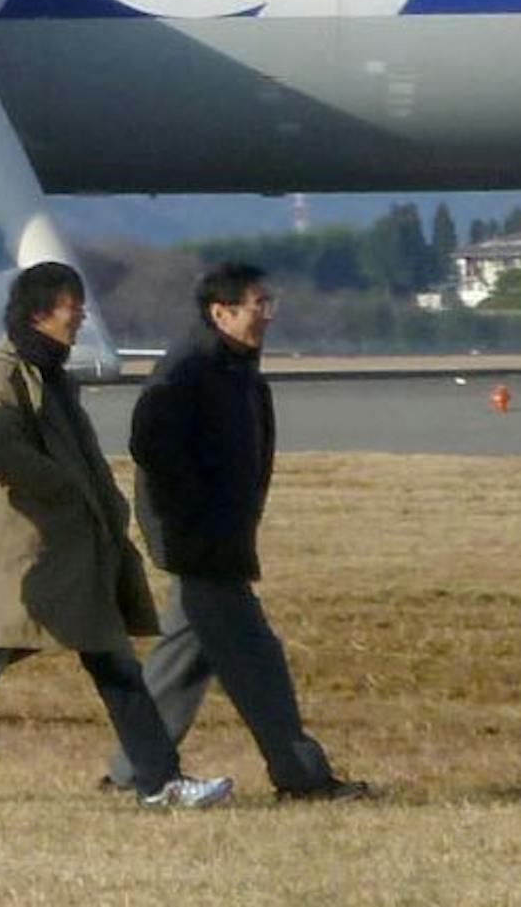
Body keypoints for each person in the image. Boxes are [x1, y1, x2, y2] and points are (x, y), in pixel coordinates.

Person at [0, 262, 234, 810]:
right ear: (39, 311)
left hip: (70, 553)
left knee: (113, 663)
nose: (81, 314)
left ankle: (159, 780)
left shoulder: (56, 374)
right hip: (20, 559)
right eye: (71, 304)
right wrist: (66, 487)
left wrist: (102, 508)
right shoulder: (1, 370)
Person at [114, 262, 370, 802]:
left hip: (221, 540)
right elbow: (151, 446)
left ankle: (129, 770)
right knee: (257, 661)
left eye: (267, 303)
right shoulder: (188, 372)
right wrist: (192, 516)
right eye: (258, 304)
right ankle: (301, 775)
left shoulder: (236, 371)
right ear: (221, 312)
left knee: (182, 658)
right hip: (201, 545)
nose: (267, 315)